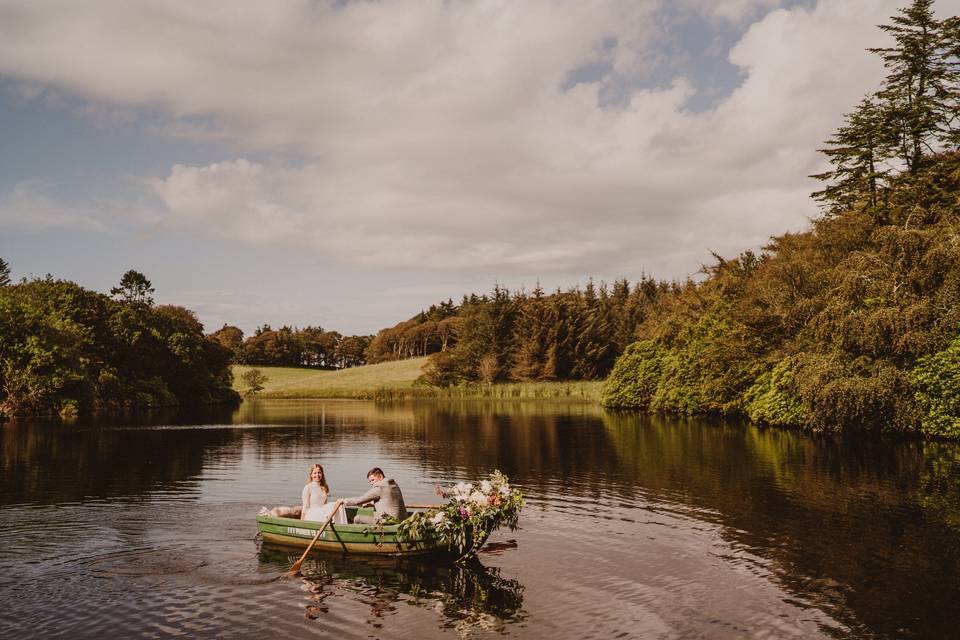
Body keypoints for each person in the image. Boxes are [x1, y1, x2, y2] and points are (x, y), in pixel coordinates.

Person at [342, 467, 408, 524]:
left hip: (390, 522)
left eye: (372, 480)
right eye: (370, 481)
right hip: (402, 520)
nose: (371, 483)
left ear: (380, 477)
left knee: (357, 518)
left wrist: (343, 501)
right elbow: (388, 500)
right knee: (375, 513)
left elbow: (358, 501)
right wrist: (371, 503)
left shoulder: (379, 488)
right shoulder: (394, 485)